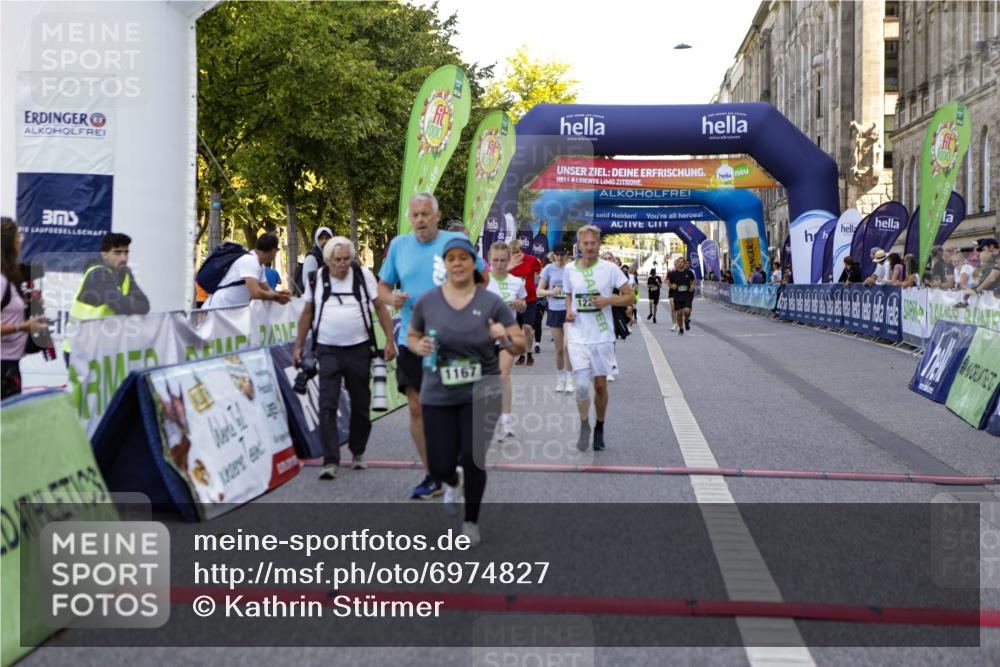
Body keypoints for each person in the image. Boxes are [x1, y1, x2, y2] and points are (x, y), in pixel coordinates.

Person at [408, 236, 525, 546]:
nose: (457, 263)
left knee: (473, 458)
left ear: (473, 263)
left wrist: (504, 336)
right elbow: (412, 335)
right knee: (440, 463)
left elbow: (520, 342)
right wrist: (418, 345)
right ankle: (450, 480)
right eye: (451, 258)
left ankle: (471, 521)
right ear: (445, 265)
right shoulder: (428, 300)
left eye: (464, 257)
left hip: (481, 390)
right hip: (438, 391)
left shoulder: (491, 302)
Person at [378, 192, 487, 500]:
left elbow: (483, 280)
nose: (421, 220)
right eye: (416, 215)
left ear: (437, 216)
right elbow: (382, 287)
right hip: (412, 340)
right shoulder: (399, 246)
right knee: (417, 409)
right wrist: (392, 298)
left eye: (426, 214)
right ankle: (434, 475)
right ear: (410, 218)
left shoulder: (454, 245)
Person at [292, 237, 397, 480]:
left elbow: (380, 308)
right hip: (327, 350)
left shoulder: (362, 276)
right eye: (338, 260)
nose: (342, 264)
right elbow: (307, 313)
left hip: (358, 349)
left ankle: (358, 451)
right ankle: (330, 460)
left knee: (361, 404)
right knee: (327, 404)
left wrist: (389, 340)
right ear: (328, 260)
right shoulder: (317, 279)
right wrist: (299, 346)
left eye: (346, 259)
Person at [563, 226, 634, 452]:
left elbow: (630, 296)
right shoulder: (569, 269)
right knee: (583, 386)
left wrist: (608, 301)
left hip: (602, 336)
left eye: (593, 243)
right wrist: (568, 310)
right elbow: (568, 293)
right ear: (579, 245)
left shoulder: (610, 269)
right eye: (585, 243)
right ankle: (585, 425)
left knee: (600, 386)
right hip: (578, 336)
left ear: (599, 245)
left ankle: (599, 427)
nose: (590, 247)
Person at [64, 232, 151, 359]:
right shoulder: (98, 274)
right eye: (117, 253)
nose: (124, 258)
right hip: (81, 349)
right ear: (104, 255)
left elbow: (145, 305)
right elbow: (120, 306)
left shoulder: (125, 273)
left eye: (126, 253)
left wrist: (126, 303)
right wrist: (129, 302)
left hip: (103, 348)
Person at [1, 218, 49, 399]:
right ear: (9, 243)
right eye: (18, 236)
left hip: (10, 367)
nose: (21, 240)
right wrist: (22, 326)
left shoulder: (10, 277)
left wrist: (31, 309)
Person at [483, 242, 526, 439]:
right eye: (495, 260)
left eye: (502, 260)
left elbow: (524, 305)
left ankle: (506, 419)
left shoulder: (517, 282)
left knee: (503, 375)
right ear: (489, 260)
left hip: (508, 335)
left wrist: (519, 304)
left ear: (509, 260)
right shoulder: (482, 282)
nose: (499, 264)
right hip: (484, 335)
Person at [203, 233, 291, 308]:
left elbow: (268, 290)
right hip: (220, 309)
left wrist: (280, 294)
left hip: (232, 311)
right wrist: (277, 297)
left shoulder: (260, 265)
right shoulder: (250, 261)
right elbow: (255, 293)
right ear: (273, 250)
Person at [537, 241, 573, 392]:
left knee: (567, 346)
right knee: (559, 349)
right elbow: (539, 291)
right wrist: (552, 292)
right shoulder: (548, 269)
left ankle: (570, 379)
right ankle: (560, 377)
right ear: (553, 254)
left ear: (566, 255)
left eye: (562, 254)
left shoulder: (572, 269)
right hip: (554, 310)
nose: (559, 257)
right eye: (557, 254)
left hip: (569, 310)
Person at [507, 239, 542, 366]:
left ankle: (529, 353)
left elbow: (539, 271)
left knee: (527, 328)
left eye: (517, 251)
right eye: (512, 252)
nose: (514, 255)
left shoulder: (531, 260)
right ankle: (522, 354)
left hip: (529, 299)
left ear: (521, 250)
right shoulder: (508, 263)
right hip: (514, 301)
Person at [298, 226, 333, 295]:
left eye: (327, 238)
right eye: (321, 238)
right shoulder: (312, 257)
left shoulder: (332, 255)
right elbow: (307, 282)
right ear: (317, 240)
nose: (324, 241)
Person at [668, 257, 697, 335]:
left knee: (687, 311)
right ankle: (681, 328)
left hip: (687, 295)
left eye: (682, 262)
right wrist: (672, 286)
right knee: (679, 313)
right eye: (679, 262)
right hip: (677, 296)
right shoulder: (673, 274)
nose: (680, 263)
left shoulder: (689, 272)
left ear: (684, 264)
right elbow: (669, 283)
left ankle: (686, 320)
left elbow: (694, 279)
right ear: (677, 263)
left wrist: (692, 286)